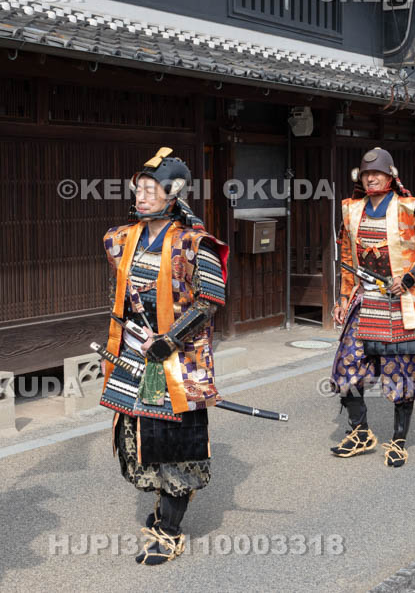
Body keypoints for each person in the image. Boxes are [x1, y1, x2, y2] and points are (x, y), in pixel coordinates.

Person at [99, 147, 228, 565]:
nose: (141, 196)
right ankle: (160, 514)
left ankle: (170, 530)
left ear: (172, 195)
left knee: (175, 442)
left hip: (178, 357)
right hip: (135, 352)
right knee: (138, 436)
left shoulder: (194, 243)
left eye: (151, 190)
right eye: (139, 189)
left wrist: (170, 339)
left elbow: (209, 301)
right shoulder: (122, 239)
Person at [328, 148, 415, 467]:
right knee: (346, 369)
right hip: (363, 299)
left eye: (377, 173)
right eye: (366, 173)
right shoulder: (351, 210)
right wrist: (342, 299)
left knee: (401, 374)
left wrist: (408, 277)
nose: (371, 178)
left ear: (390, 176)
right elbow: (345, 257)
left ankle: (398, 440)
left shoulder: (408, 207)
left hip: (398, 303)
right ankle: (360, 432)